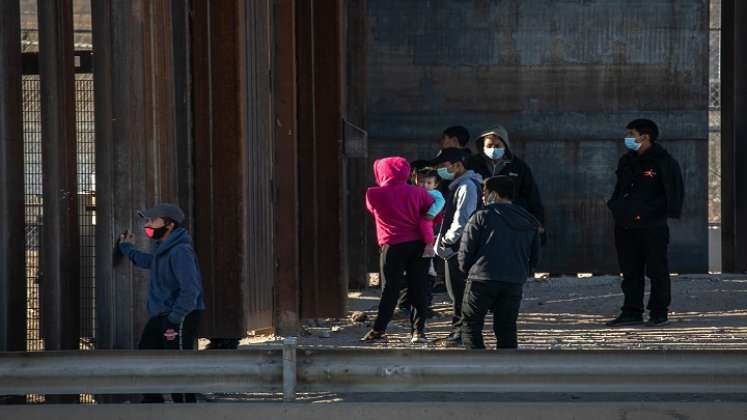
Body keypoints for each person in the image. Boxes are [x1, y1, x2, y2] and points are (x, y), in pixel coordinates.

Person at [118, 203, 206, 403]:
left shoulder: (180, 251)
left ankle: (184, 410)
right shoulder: (164, 249)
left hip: (180, 316)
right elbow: (147, 261)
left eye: (151, 221)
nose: (147, 225)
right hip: (163, 315)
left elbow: (191, 290)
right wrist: (128, 249)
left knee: (178, 366)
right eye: (146, 221)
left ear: (169, 224)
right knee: (146, 355)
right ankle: (154, 403)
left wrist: (176, 318)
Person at [606, 119, 684, 327]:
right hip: (624, 226)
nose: (628, 138)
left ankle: (659, 312)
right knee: (630, 271)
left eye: (632, 134)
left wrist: (647, 214)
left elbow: (672, 195)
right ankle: (632, 311)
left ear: (645, 136)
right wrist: (615, 207)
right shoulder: (627, 160)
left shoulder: (663, 162)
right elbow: (620, 189)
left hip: (652, 227)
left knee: (657, 270)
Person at [459, 176, 541, 350]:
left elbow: (466, 251)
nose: (483, 197)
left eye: (484, 193)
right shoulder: (529, 220)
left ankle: (478, 366)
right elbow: (535, 256)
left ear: (494, 194)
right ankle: (507, 369)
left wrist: (465, 269)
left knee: (471, 324)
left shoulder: (481, 216)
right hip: (514, 280)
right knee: (507, 327)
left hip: (482, 279)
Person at [362, 157, 435, 344]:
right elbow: (433, 211)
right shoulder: (418, 193)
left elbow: (372, 210)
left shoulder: (373, 194)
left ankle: (378, 330)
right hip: (418, 244)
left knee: (390, 289)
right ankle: (418, 332)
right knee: (418, 287)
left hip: (392, 246)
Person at [429, 148, 483, 346]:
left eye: (444, 166)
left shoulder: (467, 186)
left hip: (459, 249)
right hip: (458, 248)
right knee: (457, 294)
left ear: (458, 165)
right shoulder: (460, 185)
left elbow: (462, 220)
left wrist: (447, 241)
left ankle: (460, 333)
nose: (441, 170)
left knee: (460, 294)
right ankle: (458, 331)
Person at [468, 126, 545, 242]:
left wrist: (538, 223)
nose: (493, 149)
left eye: (497, 146)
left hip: (511, 222)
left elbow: (532, 197)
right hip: (480, 221)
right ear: (482, 147)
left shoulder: (518, 166)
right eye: (489, 146)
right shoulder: (472, 164)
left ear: (505, 146)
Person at [415, 167, 446, 258]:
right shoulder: (415, 191)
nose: (424, 185)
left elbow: (441, 202)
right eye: (421, 182)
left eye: (429, 183)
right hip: (421, 216)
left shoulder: (434, 193)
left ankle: (429, 245)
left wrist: (431, 213)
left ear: (435, 185)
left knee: (424, 223)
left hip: (430, 217)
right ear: (416, 180)